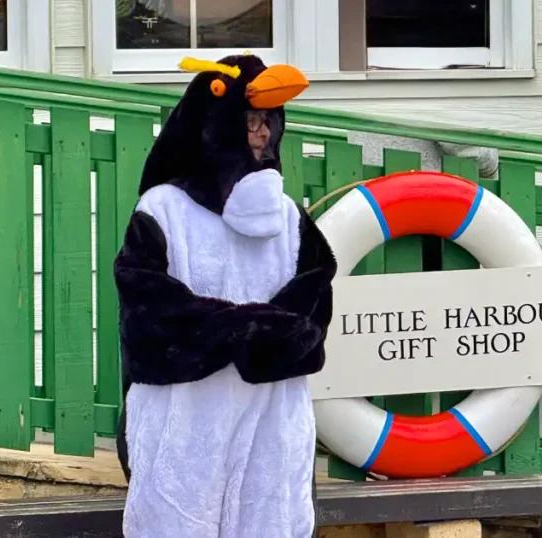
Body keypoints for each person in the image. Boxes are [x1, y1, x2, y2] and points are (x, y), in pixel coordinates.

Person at [113, 53, 337, 538]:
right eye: (250, 122)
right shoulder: (163, 210)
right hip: (185, 420)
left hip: (271, 419)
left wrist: (258, 338)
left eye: (269, 123)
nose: (261, 135)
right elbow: (147, 315)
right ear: (216, 127)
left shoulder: (291, 220)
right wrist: (244, 331)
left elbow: (313, 313)